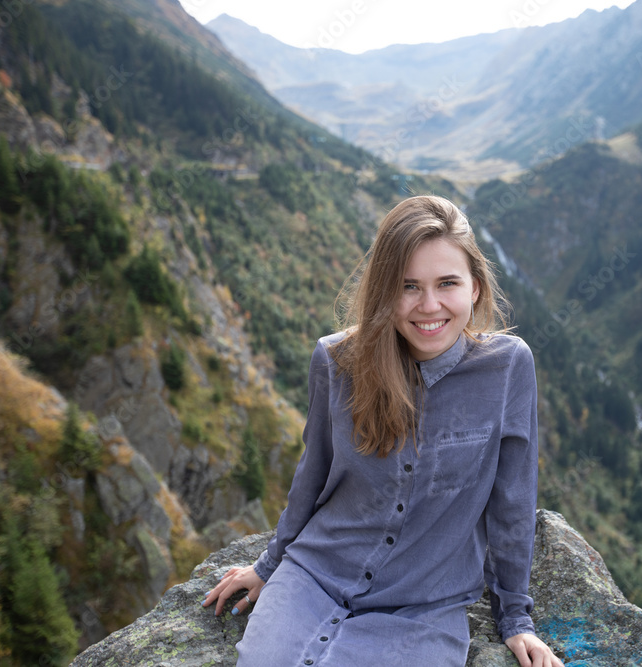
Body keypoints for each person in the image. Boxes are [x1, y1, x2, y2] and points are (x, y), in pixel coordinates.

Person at [202, 195, 563, 667]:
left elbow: (512, 502)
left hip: (425, 608)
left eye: (447, 283)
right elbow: (313, 474)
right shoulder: (337, 361)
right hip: (316, 577)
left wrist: (516, 618)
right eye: (408, 285)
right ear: (383, 291)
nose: (428, 305)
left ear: (475, 287)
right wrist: (269, 565)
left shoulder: (509, 367)